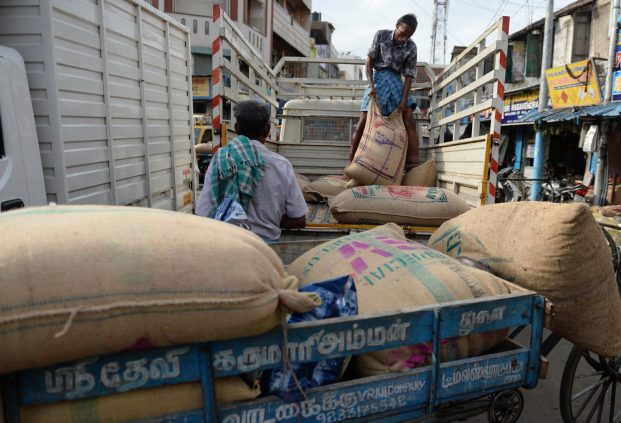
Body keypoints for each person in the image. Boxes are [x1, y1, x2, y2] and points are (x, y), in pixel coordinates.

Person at [196, 100, 307, 241]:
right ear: (267, 130)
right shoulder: (281, 165)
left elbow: (203, 211)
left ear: (236, 129)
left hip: (226, 246)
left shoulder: (221, 160)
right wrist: (267, 221)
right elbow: (299, 219)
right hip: (266, 250)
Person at [350, 14, 420, 171]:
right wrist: (371, 86)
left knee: (409, 117)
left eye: (408, 36)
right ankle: (351, 161)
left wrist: (403, 102)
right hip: (378, 78)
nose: (404, 39)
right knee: (363, 119)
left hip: (396, 81)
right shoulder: (380, 35)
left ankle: (413, 166)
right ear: (397, 25)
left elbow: (409, 76)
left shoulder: (412, 47)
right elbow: (369, 62)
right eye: (403, 34)